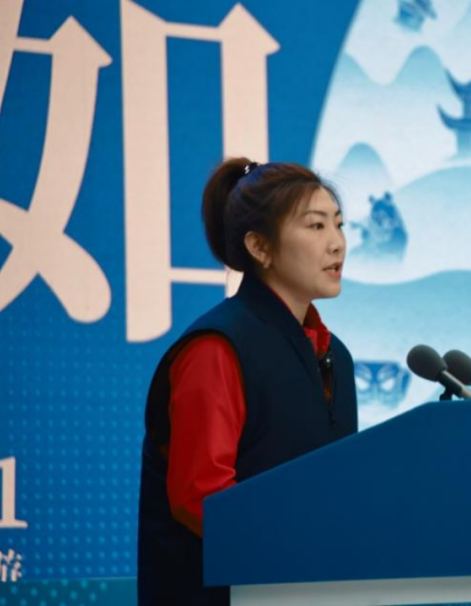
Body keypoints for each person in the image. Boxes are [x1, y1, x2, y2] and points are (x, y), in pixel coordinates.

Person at [136, 158, 358, 605]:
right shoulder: (217, 348)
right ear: (259, 246)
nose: (337, 243)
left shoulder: (336, 356)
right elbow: (201, 497)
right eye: (316, 226)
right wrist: (301, 551)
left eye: (338, 224)